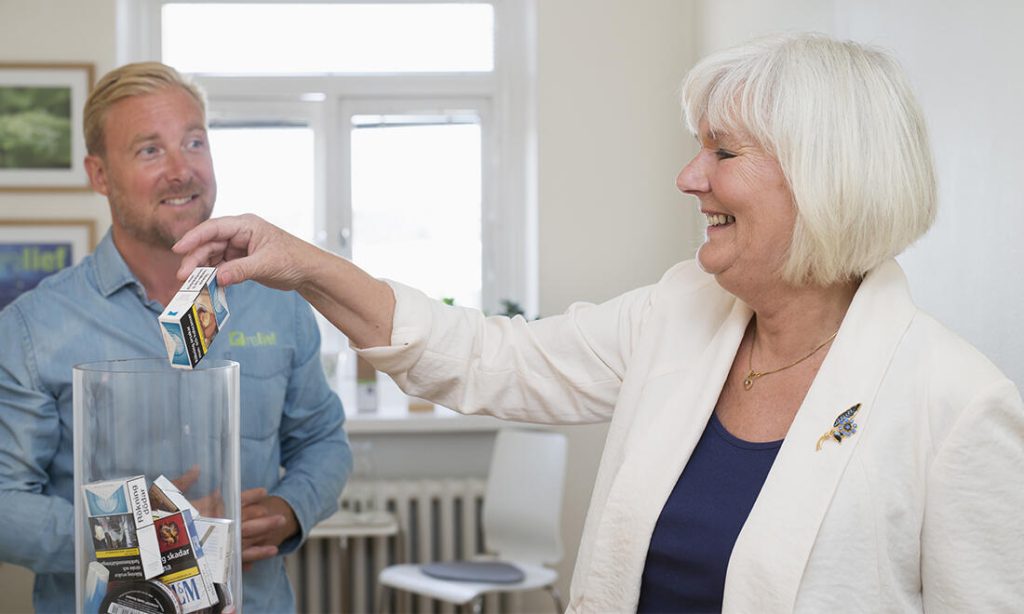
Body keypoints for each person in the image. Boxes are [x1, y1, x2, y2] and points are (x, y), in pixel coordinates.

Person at [174, 34, 1024, 612]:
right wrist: (311, 266)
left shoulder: (956, 407)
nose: (690, 178)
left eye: (723, 153)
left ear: (827, 179)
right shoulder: (677, 314)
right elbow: (487, 360)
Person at [0, 62, 352, 613]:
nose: (180, 170)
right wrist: (149, 540)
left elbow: (325, 442)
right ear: (99, 175)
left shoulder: (277, 302)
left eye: (193, 141)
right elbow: (4, 504)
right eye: (149, 150)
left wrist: (290, 510)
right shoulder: (32, 328)